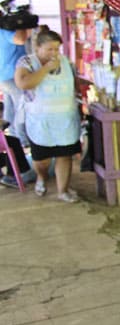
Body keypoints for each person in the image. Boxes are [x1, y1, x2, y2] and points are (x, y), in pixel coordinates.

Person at [14, 29, 80, 202]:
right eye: (49, 49)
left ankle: (63, 190)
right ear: (38, 47)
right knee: (42, 159)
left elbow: (74, 84)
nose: (54, 53)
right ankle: (42, 177)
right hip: (40, 121)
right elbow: (23, 83)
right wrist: (46, 69)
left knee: (64, 155)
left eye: (57, 49)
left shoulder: (66, 62)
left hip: (65, 119)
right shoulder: (27, 62)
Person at [0, 19, 36, 187]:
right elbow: (21, 39)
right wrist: (23, 24)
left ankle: (14, 139)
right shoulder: (6, 32)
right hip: (13, 77)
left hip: (5, 77)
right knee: (21, 110)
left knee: (11, 111)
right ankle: (21, 141)